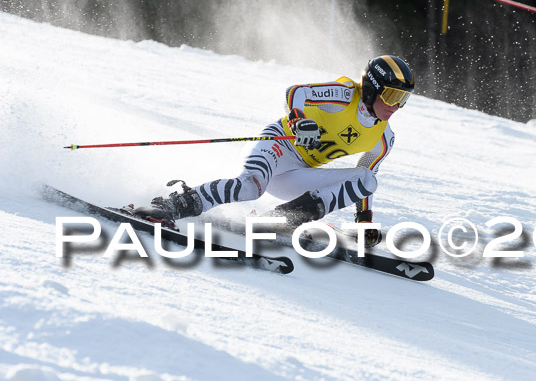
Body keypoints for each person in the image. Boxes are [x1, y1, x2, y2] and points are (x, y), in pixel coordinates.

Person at [135, 55, 415, 248]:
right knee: (251, 188)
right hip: (278, 146)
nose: (395, 106)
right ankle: (170, 206)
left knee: (368, 179)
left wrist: (364, 221)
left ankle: (280, 221)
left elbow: (360, 183)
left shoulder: (384, 138)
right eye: (391, 95)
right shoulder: (345, 95)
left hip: (297, 176)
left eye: (403, 99)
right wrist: (298, 120)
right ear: (372, 88)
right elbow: (297, 91)